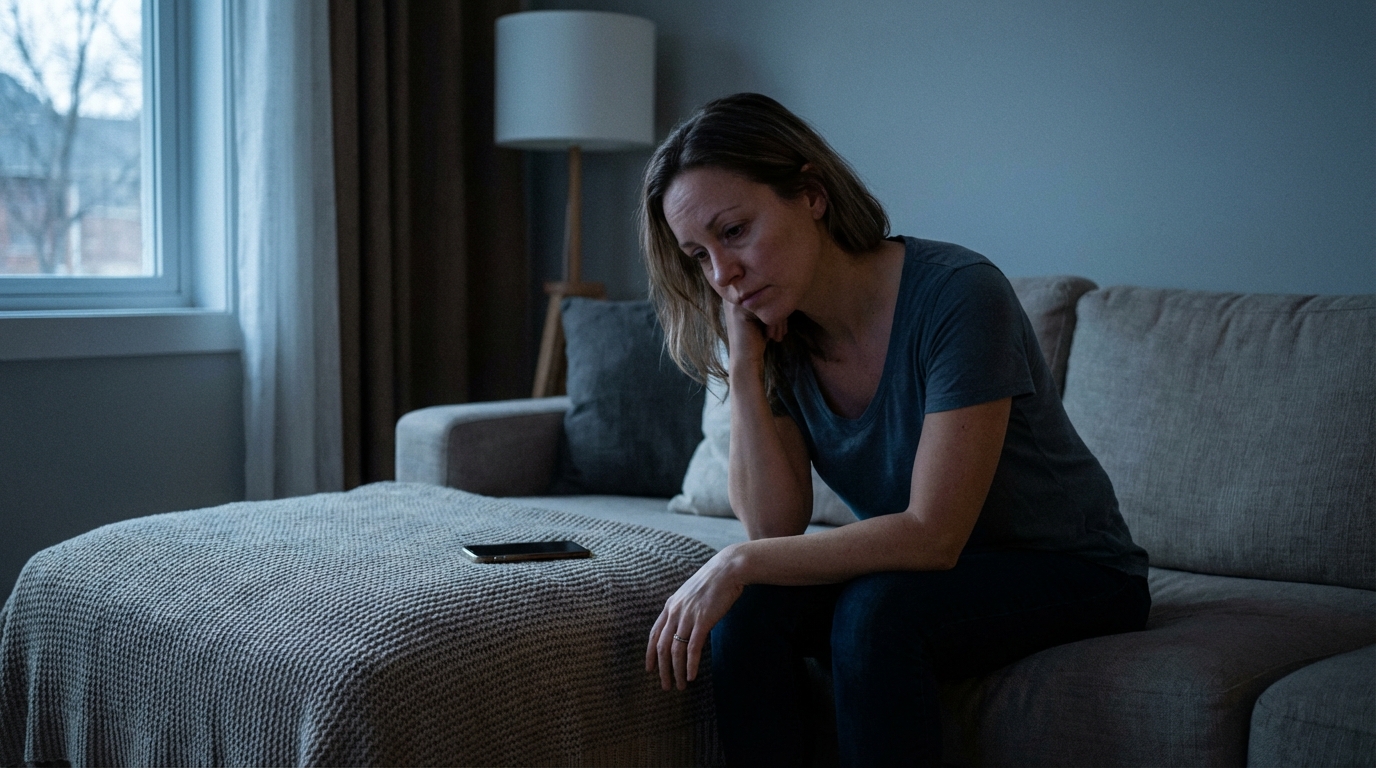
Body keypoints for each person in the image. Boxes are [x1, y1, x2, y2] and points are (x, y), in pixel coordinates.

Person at [639, 93, 1149, 768]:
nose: (722, 275)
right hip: (932, 574)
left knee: (877, 614)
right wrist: (747, 365)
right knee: (751, 611)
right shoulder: (776, 333)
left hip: (1076, 568)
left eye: (733, 232)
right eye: (698, 257)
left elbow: (933, 534)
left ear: (811, 193)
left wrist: (734, 561)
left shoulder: (959, 294)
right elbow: (773, 528)